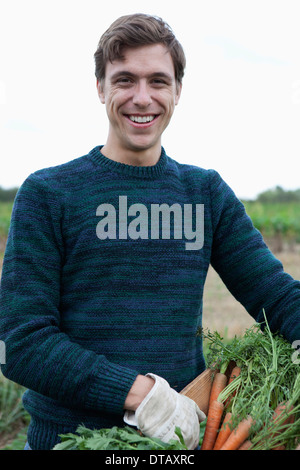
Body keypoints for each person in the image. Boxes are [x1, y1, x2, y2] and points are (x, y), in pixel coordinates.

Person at [0, 13, 299, 451]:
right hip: (68, 443)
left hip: (177, 446)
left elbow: (274, 295)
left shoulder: (204, 193)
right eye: (125, 80)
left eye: (158, 81)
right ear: (100, 87)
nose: (143, 97)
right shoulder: (49, 194)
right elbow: (21, 342)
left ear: (178, 90)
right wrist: (143, 397)